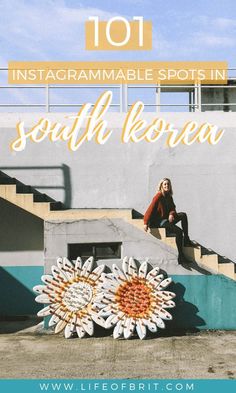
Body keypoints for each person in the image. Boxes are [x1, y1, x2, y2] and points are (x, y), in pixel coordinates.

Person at [143, 178, 194, 264]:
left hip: (166, 219)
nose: (167, 186)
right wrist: (145, 223)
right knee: (178, 231)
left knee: (183, 215)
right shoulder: (158, 196)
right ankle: (181, 256)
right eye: (165, 184)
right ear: (161, 186)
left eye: (168, 184)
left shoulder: (169, 196)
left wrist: (171, 214)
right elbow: (150, 210)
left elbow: (173, 208)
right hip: (158, 222)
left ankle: (186, 239)